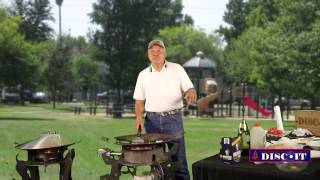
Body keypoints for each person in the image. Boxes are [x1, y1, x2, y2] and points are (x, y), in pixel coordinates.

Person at [133, 39, 197, 180]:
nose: (156, 53)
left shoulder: (177, 68)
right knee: (156, 163)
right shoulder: (143, 75)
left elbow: (190, 88)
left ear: (165, 52)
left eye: (159, 50)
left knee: (179, 162)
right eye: (152, 51)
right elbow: (139, 101)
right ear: (148, 54)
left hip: (173, 119)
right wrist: (138, 116)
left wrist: (191, 91)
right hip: (152, 121)